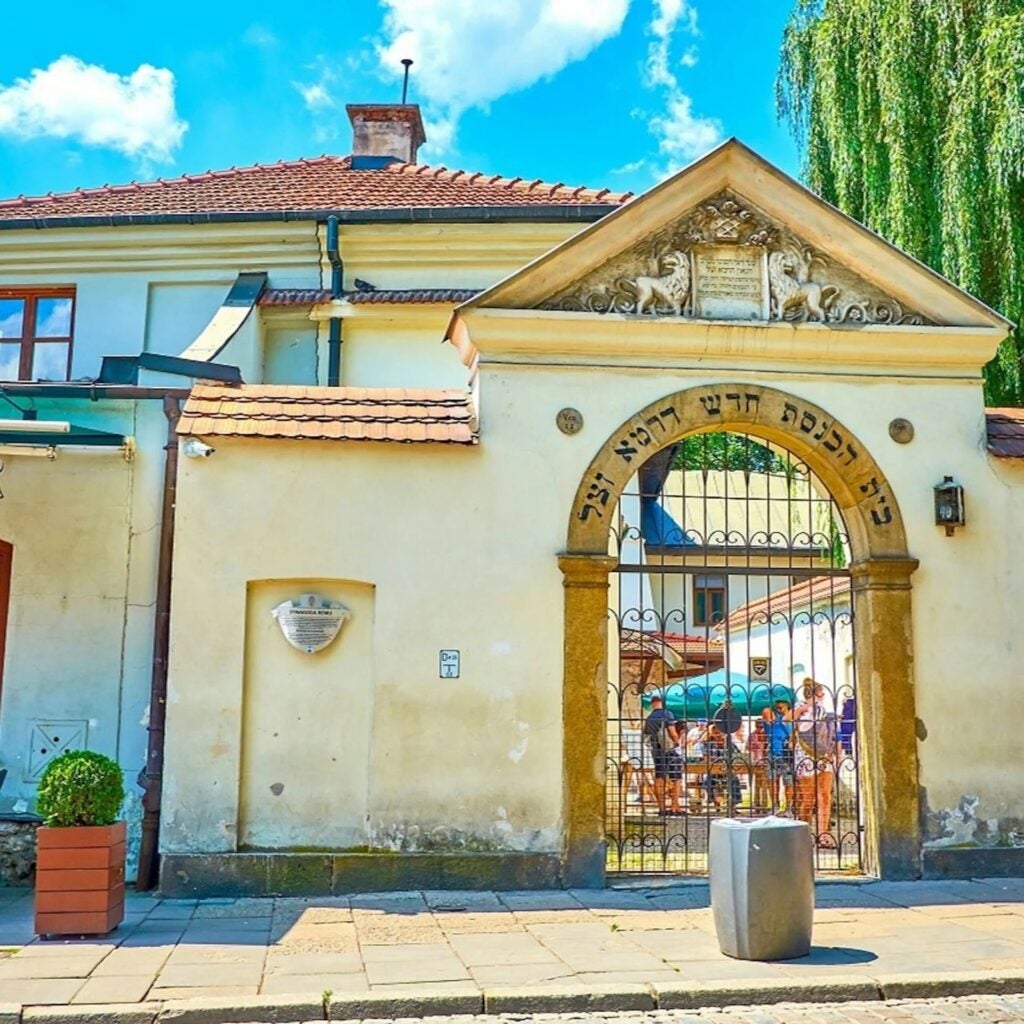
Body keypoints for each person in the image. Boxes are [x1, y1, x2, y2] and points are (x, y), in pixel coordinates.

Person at [793, 678, 840, 847]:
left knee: (825, 796)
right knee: (808, 799)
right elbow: (787, 719)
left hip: (824, 755)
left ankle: (824, 836)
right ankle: (803, 834)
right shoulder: (800, 706)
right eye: (822, 693)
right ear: (814, 693)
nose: (824, 696)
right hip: (805, 755)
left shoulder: (824, 710)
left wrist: (835, 752)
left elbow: (831, 731)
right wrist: (806, 707)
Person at [644, 695, 682, 815]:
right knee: (676, 778)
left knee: (659, 777)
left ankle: (661, 808)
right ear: (662, 702)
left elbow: (646, 736)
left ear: (652, 704)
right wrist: (677, 742)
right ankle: (674, 807)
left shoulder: (649, 718)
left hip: (656, 751)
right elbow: (672, 732)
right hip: (669, 749)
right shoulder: (667, 714)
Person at [763, 700, 794, 813]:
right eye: (778, 707)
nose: (779, 710)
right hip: (772, 753)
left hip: (786, 754)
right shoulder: (772, 720)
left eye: (782, 707)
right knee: (772, 781)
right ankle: (775, 806)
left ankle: (788, 808)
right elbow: (766, 711)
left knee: (788, 782)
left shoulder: (791, 721)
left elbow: (794, 735)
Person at [703, 724, 742, 813]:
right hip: (713, 772)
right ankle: (714, 802)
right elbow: (706, 758)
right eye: (715, 733)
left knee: (734, 781)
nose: (718, 735)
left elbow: (737, 756)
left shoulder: (730, 745)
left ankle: (733, 805)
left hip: (727, 771)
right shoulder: (708, 745)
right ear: (712, 734)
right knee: (707, 782)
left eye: (720, 733)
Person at [746, 717, 769, 812]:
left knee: (765, 784)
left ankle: (764, 805)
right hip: (755, 761)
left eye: (761, 726)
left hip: (766, 761)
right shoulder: (752, 735)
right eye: (757, 726)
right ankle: (757, 804)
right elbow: (747, 747)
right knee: (757, 784)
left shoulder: (767, 735)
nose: (759, 728)